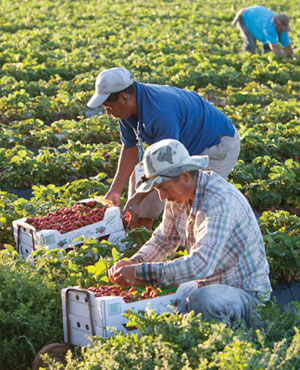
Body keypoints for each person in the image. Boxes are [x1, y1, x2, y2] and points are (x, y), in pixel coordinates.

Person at [108, 139, 272, 326]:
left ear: (185, 176)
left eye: (163, 188)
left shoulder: (219, 201)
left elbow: (201, 265)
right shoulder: (179, 196)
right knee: (180, 300)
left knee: (204, 300)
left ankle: (230, 347)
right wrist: (135, 262)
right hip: (208, 284)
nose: (162, 197)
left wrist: (140, 273)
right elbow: (164, 240)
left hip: (245, 295)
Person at [87, 67, 240, 229]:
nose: (108, 113)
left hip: (216, 144)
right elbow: (130, 149)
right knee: (142, 177)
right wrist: (115, 192)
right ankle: (140, 229)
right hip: (184, 144)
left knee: (192, 201)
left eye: (108, 107)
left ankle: (196, 243)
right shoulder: (128, 109)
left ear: (124, 98)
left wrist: (137, 199)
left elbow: (167, 166)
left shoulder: (160, 113)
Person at [233, 5, 297, 61]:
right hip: (245, 16)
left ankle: (265, 60)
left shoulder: (282, 28)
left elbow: (287, 45)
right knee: (251, 45)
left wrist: (293, 56)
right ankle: (240, 60)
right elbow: (274, 47)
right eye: (281, 29)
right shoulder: (269, 27)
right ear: (276, 24)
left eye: (284, 29)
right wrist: (285, 58)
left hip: (258, 17)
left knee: (268, 46)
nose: (283, 31)